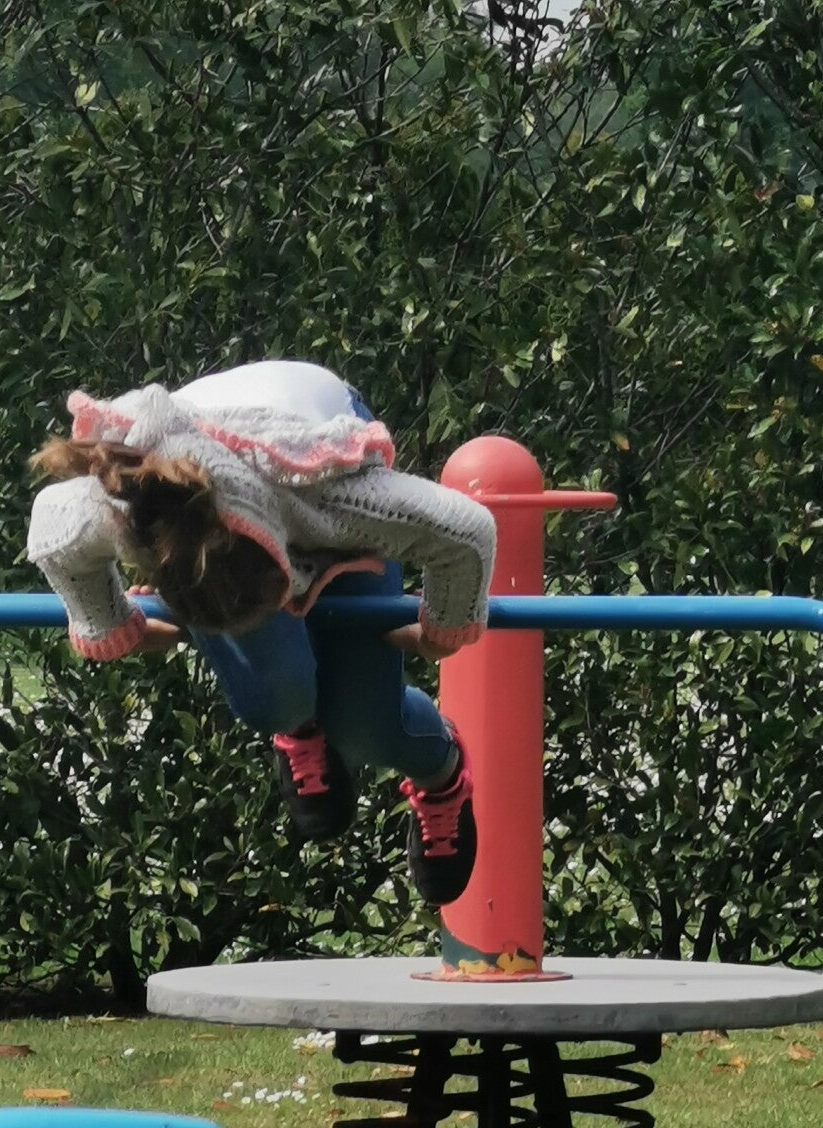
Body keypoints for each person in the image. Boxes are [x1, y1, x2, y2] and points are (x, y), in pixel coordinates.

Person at [26, 360, 494, 907]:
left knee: (365, 728)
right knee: (270, 697)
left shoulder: (342, 496)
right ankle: (296, 721)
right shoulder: (123, 505)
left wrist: (445, 629)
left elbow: (467, 533)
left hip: (305, 457)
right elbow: (53, 533)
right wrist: (109, 626)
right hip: (213, 503)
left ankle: (442, 774)